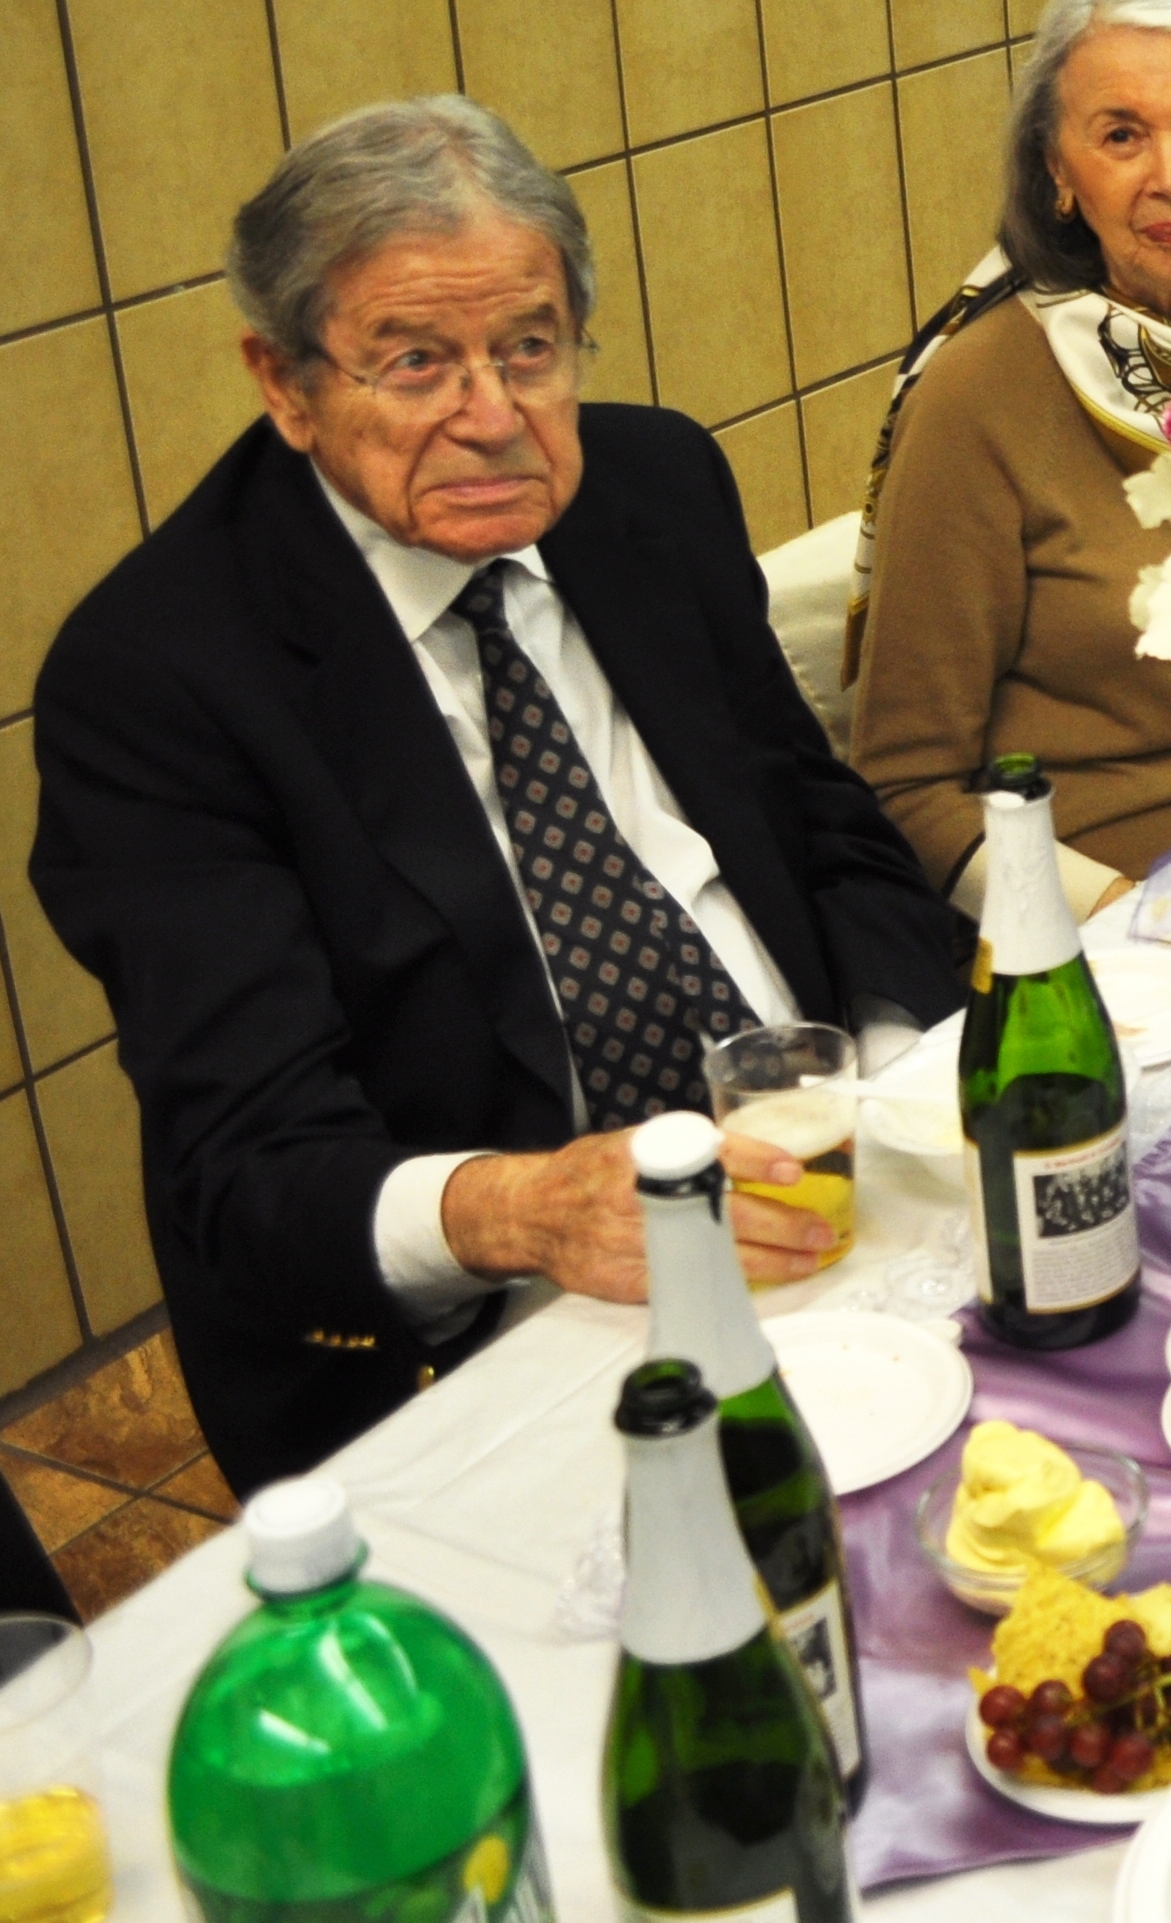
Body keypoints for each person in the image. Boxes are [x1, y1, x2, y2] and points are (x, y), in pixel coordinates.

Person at [28, 98, 965, 1491]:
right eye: (415, 362)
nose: (492, 419)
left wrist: (888, 1083)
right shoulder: (159, 673)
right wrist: (523, 1209)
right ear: (284, 383)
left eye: (530, 347)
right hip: (501, 1304)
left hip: (824, 1173)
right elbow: (248, 1162)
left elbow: (820, 827)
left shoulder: (652, 485)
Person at [848, 0, 1171, 917]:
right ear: (1058, 171)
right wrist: (1132, 918)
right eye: (1121, 135)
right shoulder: (976, 394)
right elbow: (906, 788)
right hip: (1124, 911)